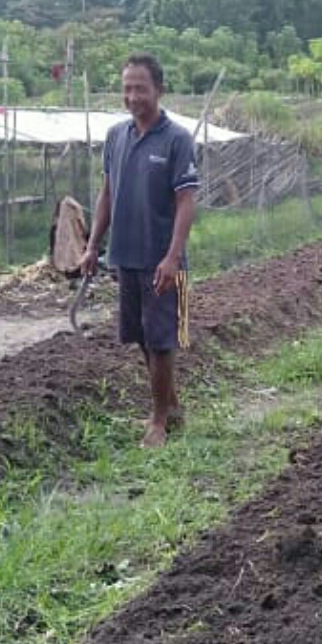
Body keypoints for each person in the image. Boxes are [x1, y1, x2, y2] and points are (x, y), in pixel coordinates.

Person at [80, 54, 198, 448]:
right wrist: (93, 245)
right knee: (142, 337)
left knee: (163, 339)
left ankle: (159, 421)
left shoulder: (177, 139)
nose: (132, 96)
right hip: (125, 256)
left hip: (164, 260)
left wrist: (172, 257)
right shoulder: (116, 136)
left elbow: (186, 201)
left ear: (158, 90)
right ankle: (173, 405)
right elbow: (108, 194)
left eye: (140, 88)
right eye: (126, 88)